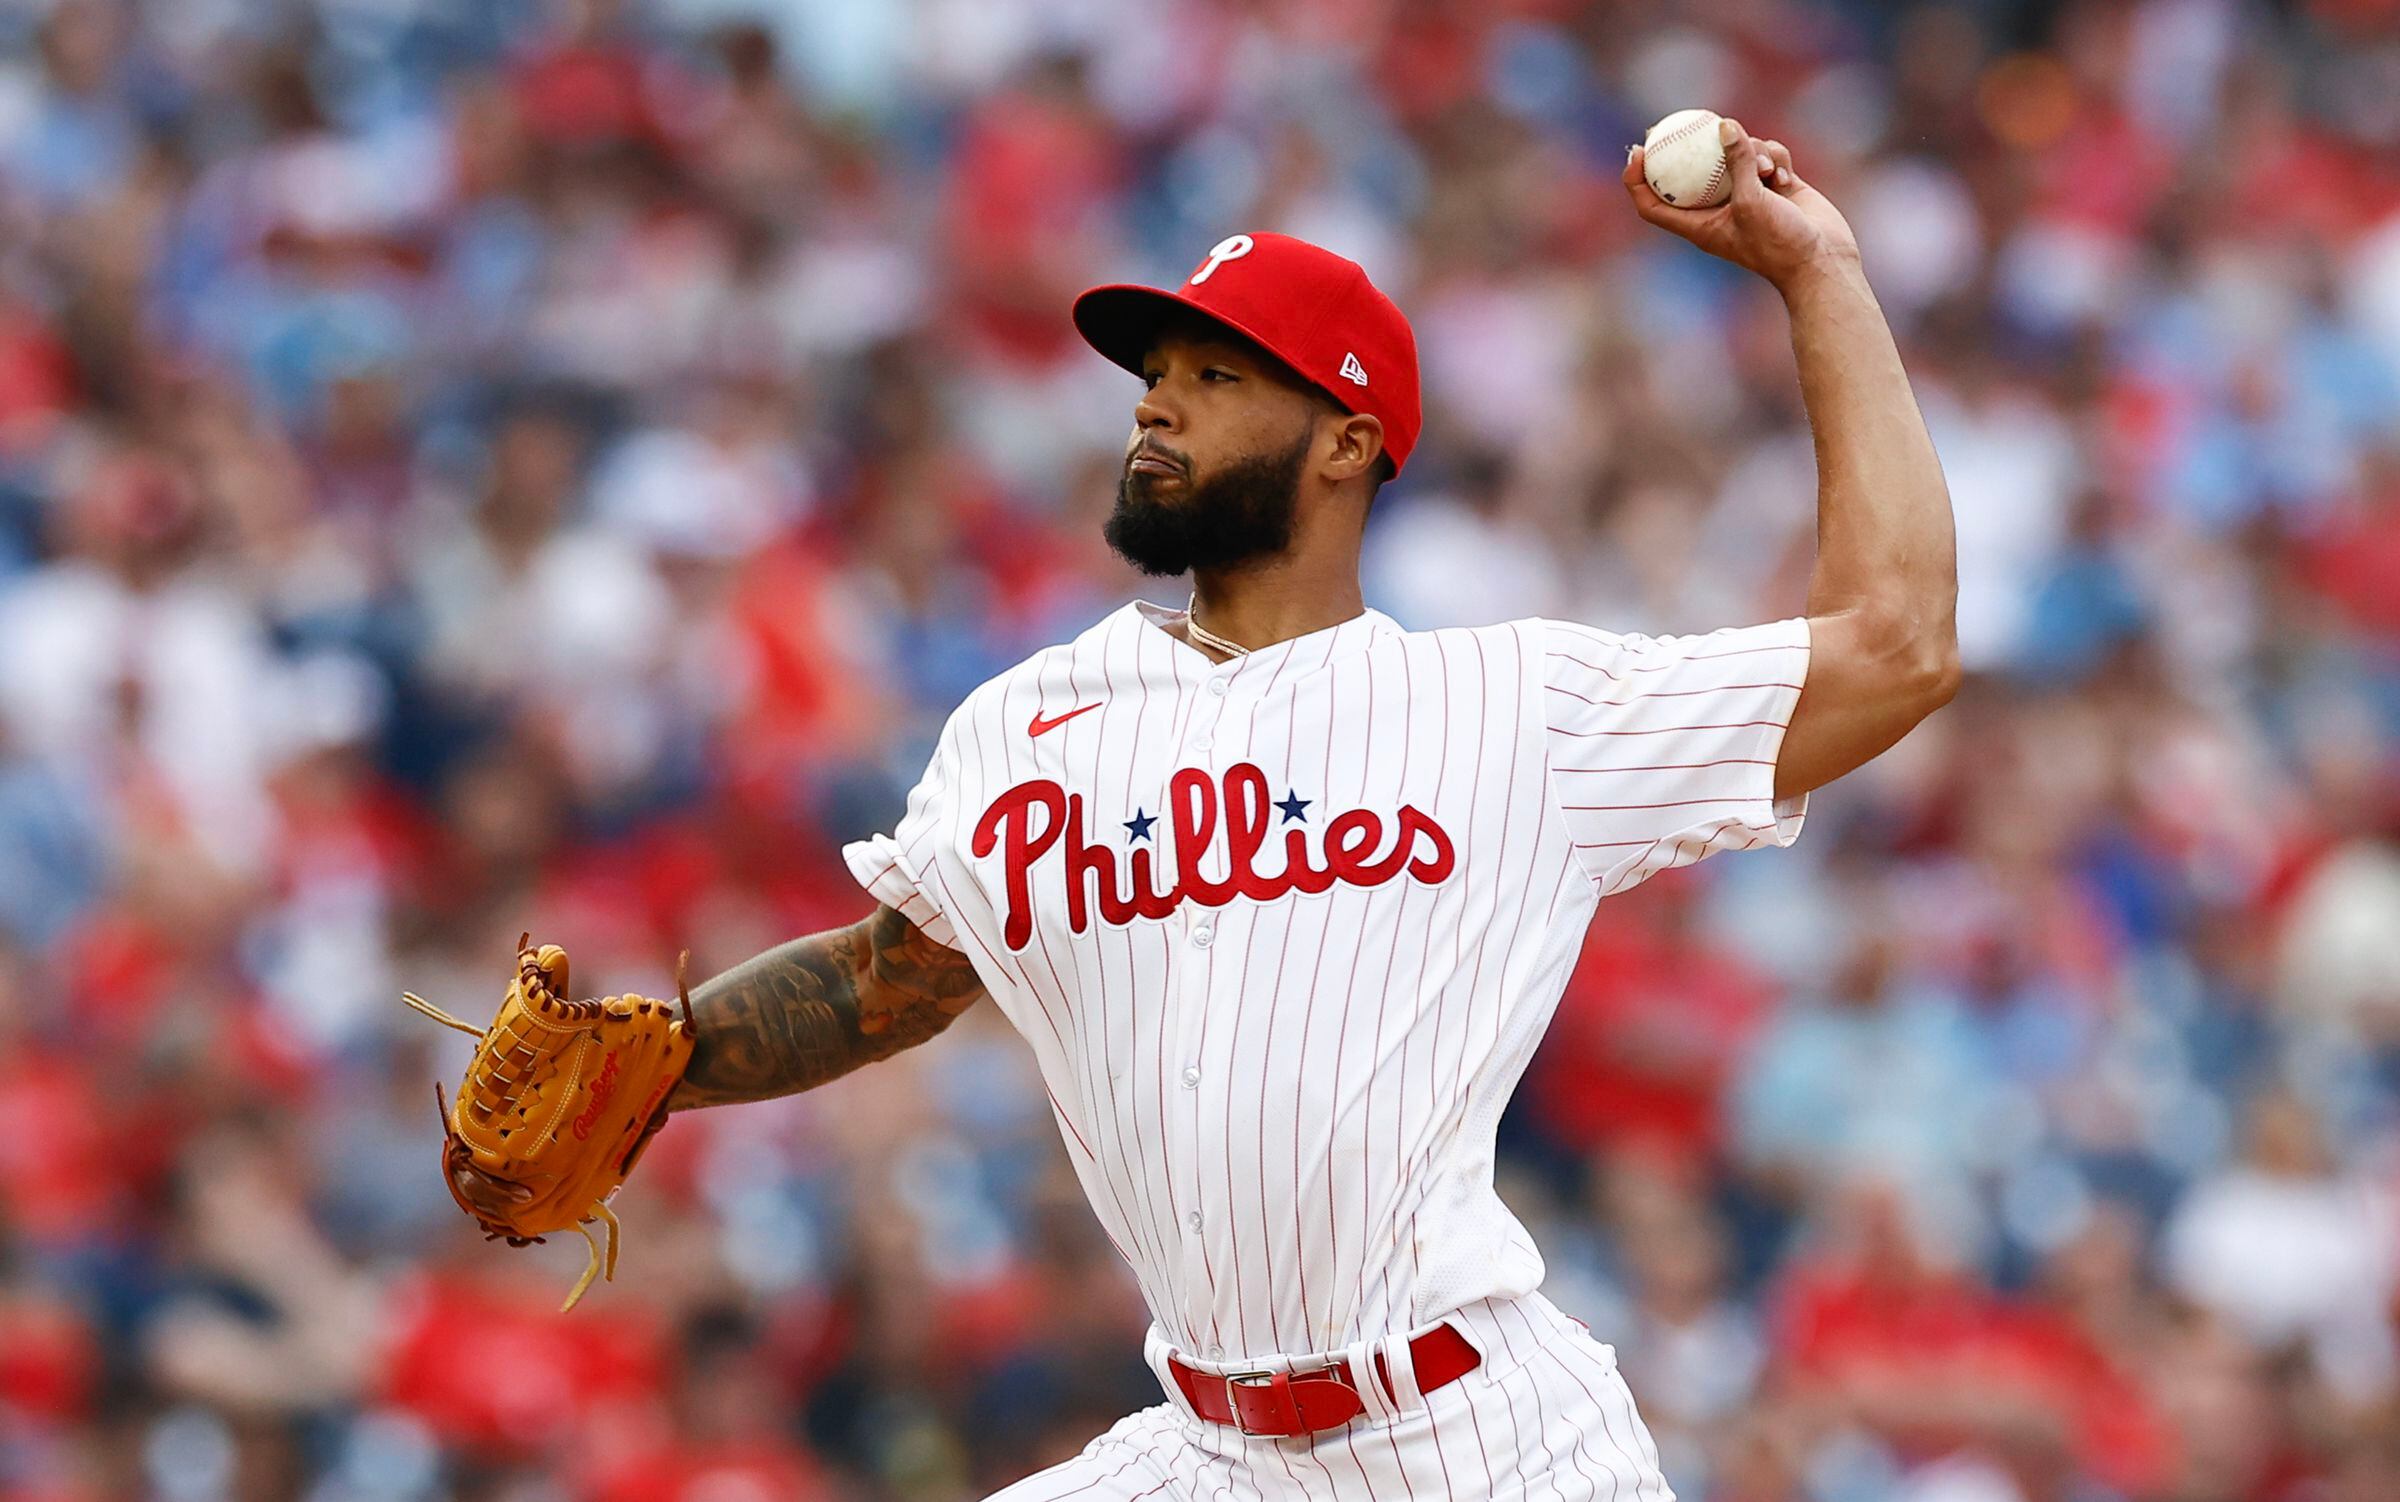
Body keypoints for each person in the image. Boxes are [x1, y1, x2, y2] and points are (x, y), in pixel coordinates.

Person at [460, 118, 1958, 1498]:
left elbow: (1898, 641)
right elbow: (884, 979)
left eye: (1218, 376)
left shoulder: (1511, 706)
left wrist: (1817, 271)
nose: (1158, 403)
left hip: (1483, 1436)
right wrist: (655, 1068)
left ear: (1349, 439)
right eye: (1156, 373)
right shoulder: (1028, 726)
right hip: (1205, 1447)